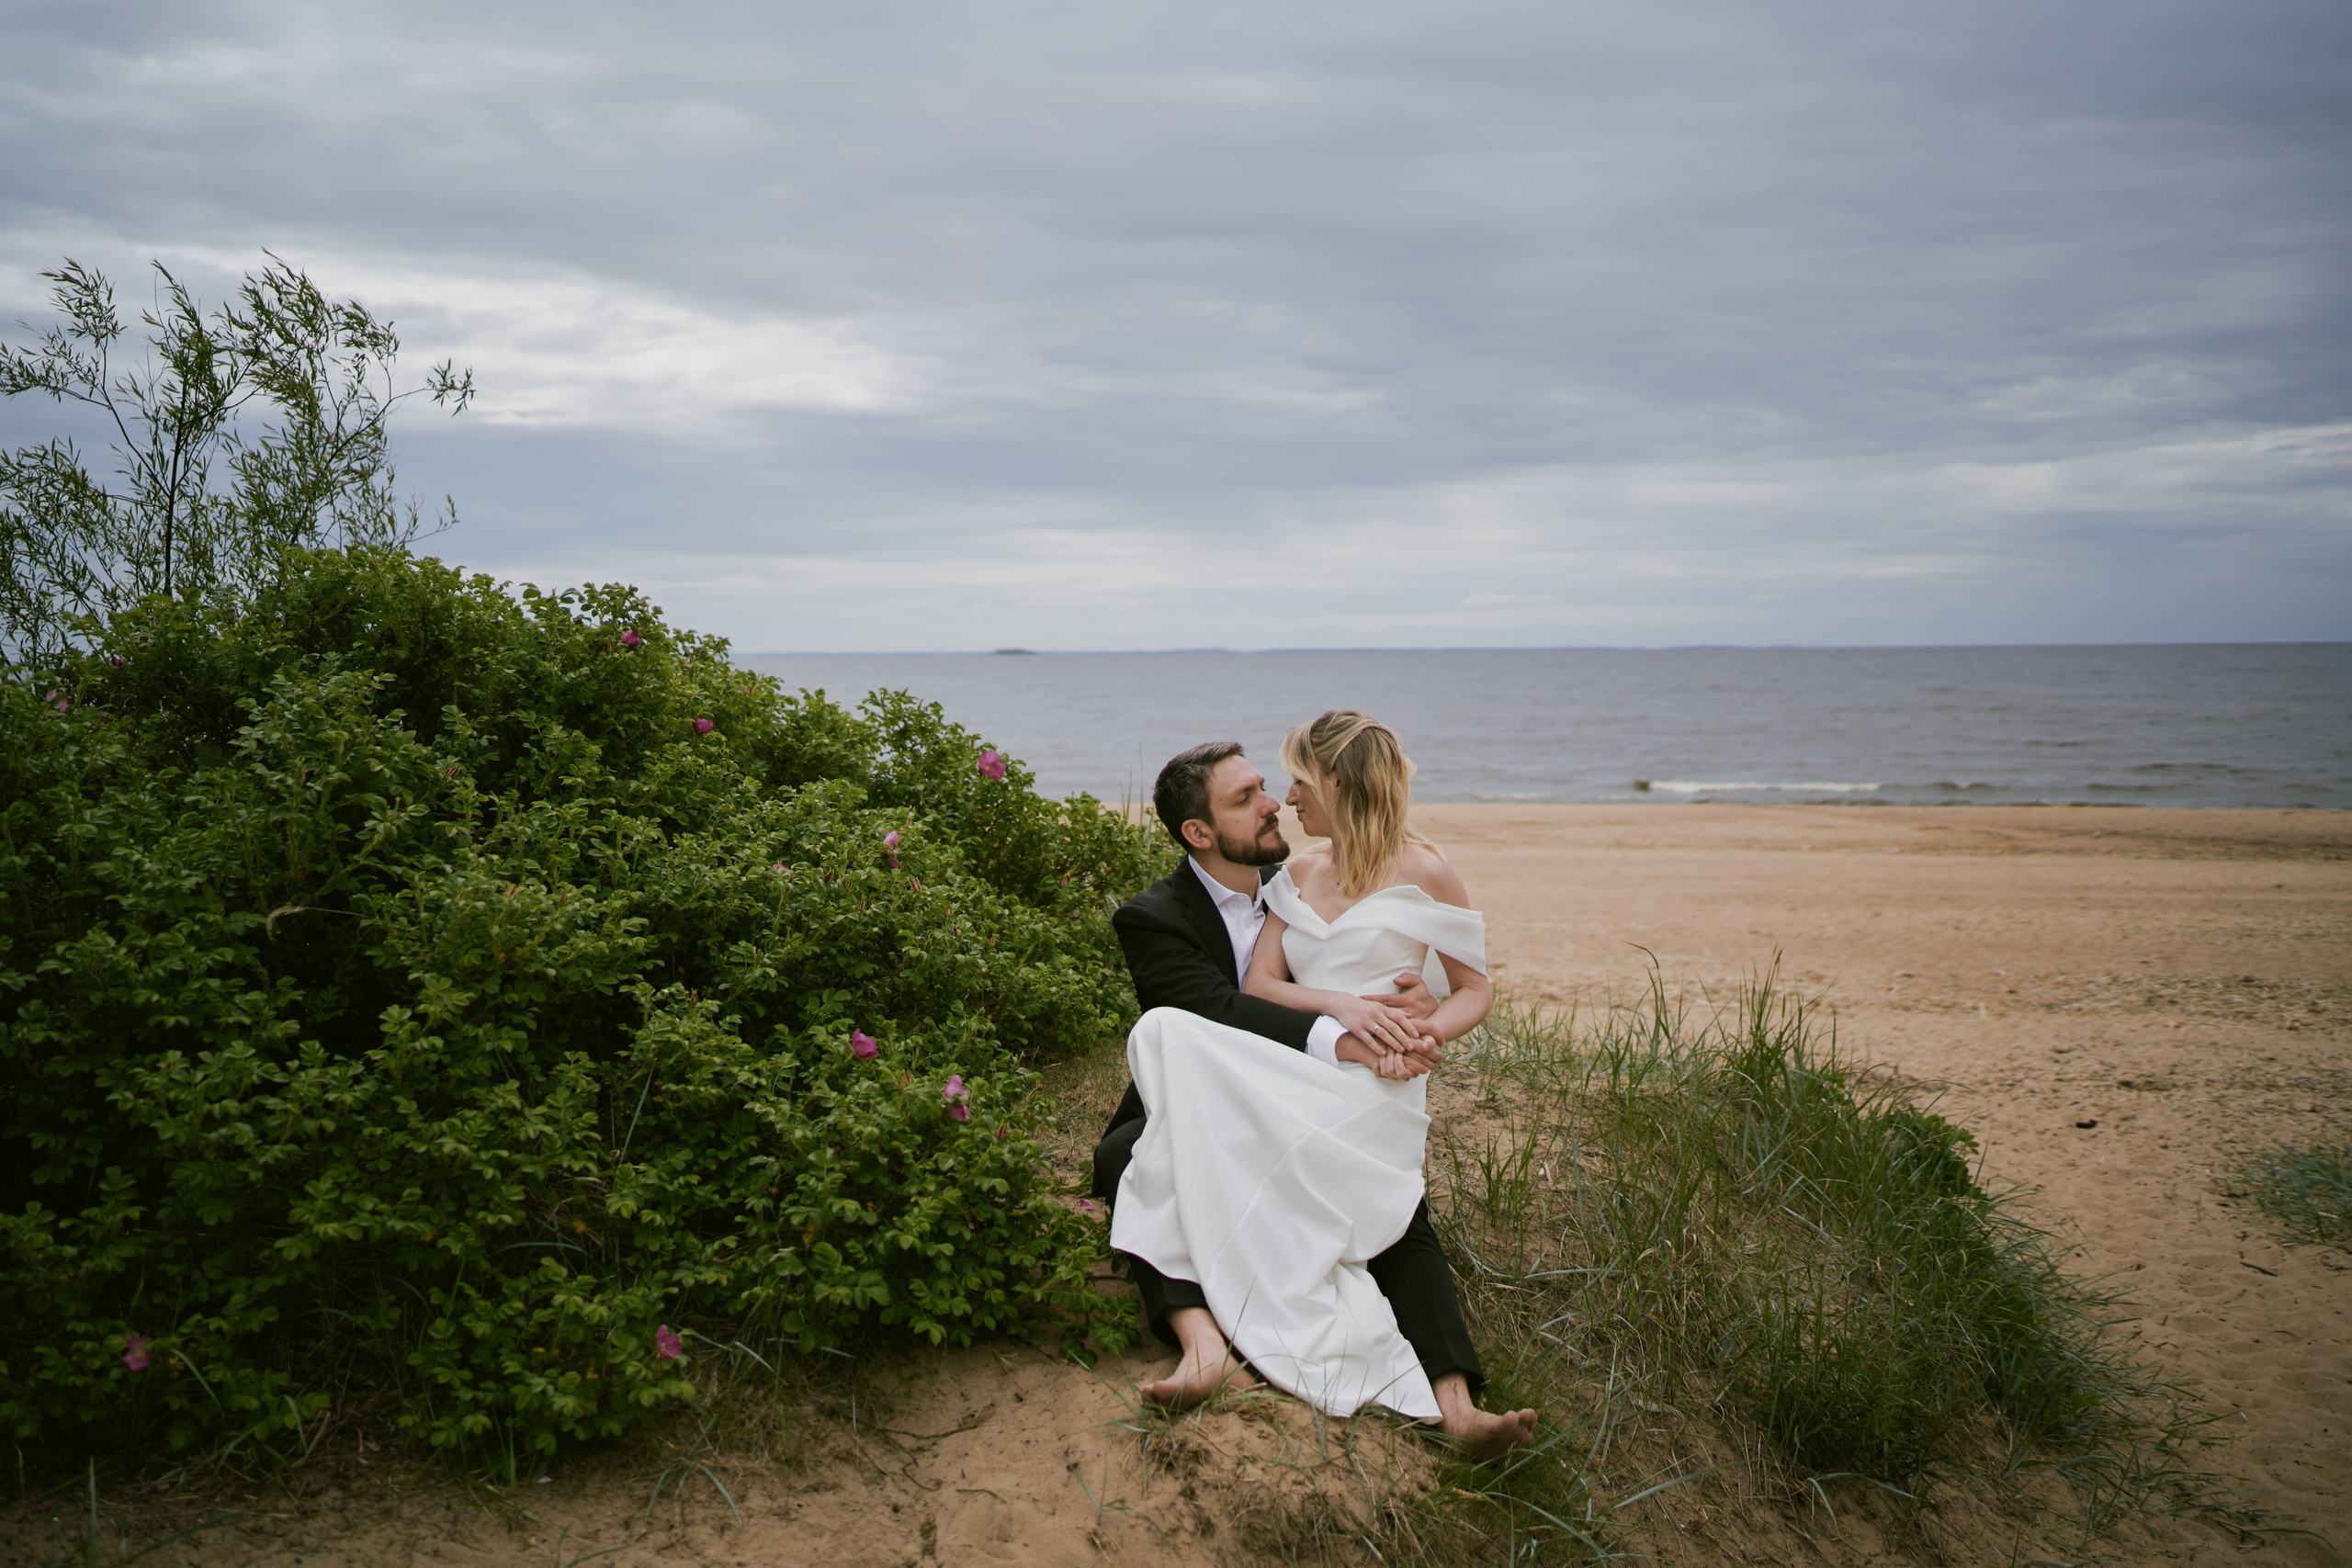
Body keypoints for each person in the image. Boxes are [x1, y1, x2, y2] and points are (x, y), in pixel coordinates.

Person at [1091, 717, 1536, 1456]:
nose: (1278, 801)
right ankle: (1203, 1346)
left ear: (1338, 783)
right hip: (1261, 1075)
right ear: (1200, 832)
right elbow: (1234, 1003)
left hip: (1360, 1081)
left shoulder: (1374, 871)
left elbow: (1470, 986)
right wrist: (1345, 1019)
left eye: (1280, 784)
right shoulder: (1166, 914)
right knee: (1137, 1130)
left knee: (1396, 1210)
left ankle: (1458, 1407)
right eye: (1249, 797)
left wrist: (1422, 1026)